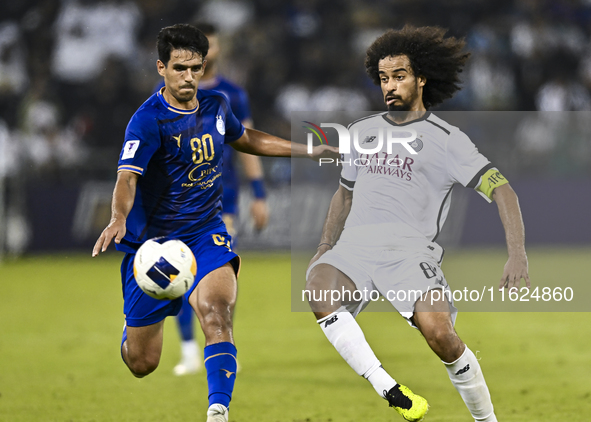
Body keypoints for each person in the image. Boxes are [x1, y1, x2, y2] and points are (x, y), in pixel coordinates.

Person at [92, 24, 336, 422]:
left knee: (217, 315)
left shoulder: (217, 104)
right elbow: (127, 177)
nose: (188, 77)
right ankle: (133, 326)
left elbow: (247, 139)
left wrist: (307, 150)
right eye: (179, 68)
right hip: (153, 248)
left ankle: (217, 412)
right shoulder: (147, 120)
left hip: (206, 234)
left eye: (195, 68)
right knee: (142, 362)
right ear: (161, 68)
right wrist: (119, 216)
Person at [305, 26, 529, 422]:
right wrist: (325, 245)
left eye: (399, 76)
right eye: (383, 78)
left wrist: (517, 255)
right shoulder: (361, 132)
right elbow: (345, 193)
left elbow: (503, 191)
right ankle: (389, 388)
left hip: (410, 254)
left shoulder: (448, 139)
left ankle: (487, 420)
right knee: (318, 287)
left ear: (421, 78)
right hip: (355, 247)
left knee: (441, 336)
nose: (389, 86)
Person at [155, 22, 269, 377]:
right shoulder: (169, 94)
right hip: (175, 203)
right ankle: (190, 348)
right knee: (178, 272)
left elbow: (246, 141)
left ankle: (209, 340)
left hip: (223, 198)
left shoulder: (232, 95)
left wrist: (259, 192)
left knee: (204, 272)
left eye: (213, 47)